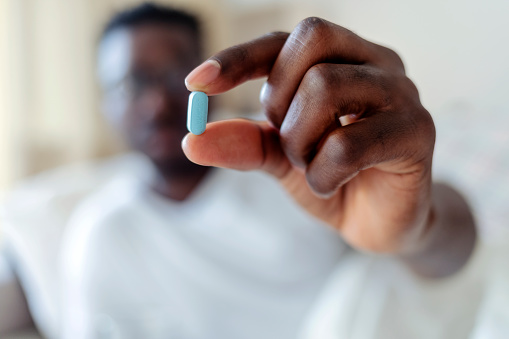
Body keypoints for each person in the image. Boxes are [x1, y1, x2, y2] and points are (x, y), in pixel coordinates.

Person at [0, 3, 481, 339]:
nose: (157, 101)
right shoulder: (102, 237)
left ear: (209, 80)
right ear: (105, 106)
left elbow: (459, 255)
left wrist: (418, 227)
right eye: (131, 83)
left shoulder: (296, 145)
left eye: (175, 77)